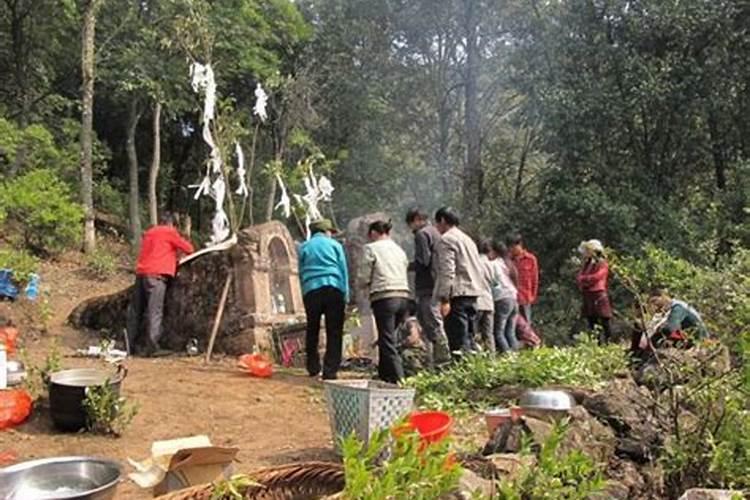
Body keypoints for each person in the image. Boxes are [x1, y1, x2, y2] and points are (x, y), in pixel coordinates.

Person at [127, 212, 194, 356]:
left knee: (136, 311)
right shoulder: (169, 232)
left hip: (141, 274)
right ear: (171, 223)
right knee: (154, 311)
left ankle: (130, 345)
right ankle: (152, 347)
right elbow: (189, 248)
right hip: (156, 276)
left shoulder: (150, 232)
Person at [358, 220, 411, 383]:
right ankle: (384, 375)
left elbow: (364, 275)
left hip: (385, 298)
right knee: (386, 337)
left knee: (387, 341)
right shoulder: (399, 249)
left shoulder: (371, 248)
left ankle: (400, 379)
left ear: (374, 232)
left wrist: (362, 286)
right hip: (403, 297)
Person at [298, 219, 349, 380]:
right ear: (326, 231)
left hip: (311, 290)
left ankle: (313, 368)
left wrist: (304, 292)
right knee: (334, 331)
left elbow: (300, 271)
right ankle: (330, 371)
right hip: (334, 288)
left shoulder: (304, 247)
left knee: (312, 328)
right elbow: (343, 270)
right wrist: (345, 293)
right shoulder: (335, 246)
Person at [433, 207, 485, 355]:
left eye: (437, 224)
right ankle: (472, 372)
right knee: (470, 338)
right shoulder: (467, 239)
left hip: (458, 295)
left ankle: (459, 372)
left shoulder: (447, 239)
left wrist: (444, 299)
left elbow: (447, 271)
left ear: (442, 220)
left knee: (458, 342)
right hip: (473, 293)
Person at [405, 208, 451, 364]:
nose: (411, 228)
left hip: (427, 286)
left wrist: (406, 266)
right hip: (436, 283)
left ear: (417, 219)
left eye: (411, 223)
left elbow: (423, 261)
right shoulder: (436, 233)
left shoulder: (422, 234)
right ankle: (436, 361)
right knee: (432, 323)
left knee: (432, 323)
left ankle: (443, 362)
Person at [633, 289, 709, 351]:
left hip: (696, 341)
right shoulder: (668, 311)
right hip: (687, 338)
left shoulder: (678, 307)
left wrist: (658, 331)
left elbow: (670, 328)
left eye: (655, 301)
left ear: (663, 296)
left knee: (658, 338)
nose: (655, 305)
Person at [575, 239, 613, 344]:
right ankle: (597, 343)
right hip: (588, 294)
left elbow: (597, 277)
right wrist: (584, 279)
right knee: (591, 319)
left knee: (604, 319)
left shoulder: (602, 263)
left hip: (598, 293)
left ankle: (608, 342)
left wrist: (585, 279)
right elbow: (579, 277)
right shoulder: (587, 264)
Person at [488, 240, 520, 353]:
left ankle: (507, 357)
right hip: (513, 297)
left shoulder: (494, 264)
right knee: (510, 332)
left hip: (502, 298)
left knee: (499, 332)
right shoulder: (507, 263)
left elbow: (491, 281)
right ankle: (516, 356)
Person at [506, 233, 538, 325]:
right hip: (511, 297)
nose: (511, 250)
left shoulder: (531, 259)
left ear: (519, 245)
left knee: (526, 325)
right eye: (510, 247)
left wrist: (532, 296)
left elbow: (534, 279)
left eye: (513, 247)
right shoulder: (508, 260)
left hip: (525, 297)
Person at [476, 240, 497, 353]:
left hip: (477, 302)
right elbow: (495, 282)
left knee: (474, 334)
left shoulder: (473, 262)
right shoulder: (491, 264)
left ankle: (476, 357)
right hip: (488, 302)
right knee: (488, 334)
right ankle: (491, 358)